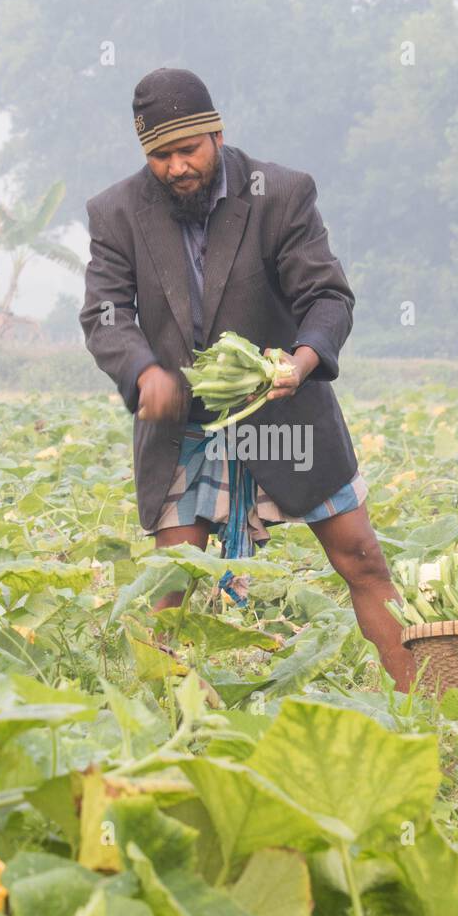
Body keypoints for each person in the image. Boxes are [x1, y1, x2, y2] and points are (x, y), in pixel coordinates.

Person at [80, 66, 415, 690]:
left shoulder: (279, 193)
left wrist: (302, 361)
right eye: (160, 155)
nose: (176, 167)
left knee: (362, 560)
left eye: (188, 150)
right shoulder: (118, 211)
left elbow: (328, 299)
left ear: (215, 132)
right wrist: (143, 371)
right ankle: (166, 727)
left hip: (284, 416)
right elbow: (105, 313)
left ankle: (425, 707)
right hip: (185, 422)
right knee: (172, 585)